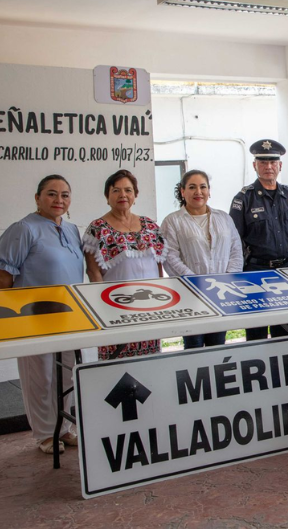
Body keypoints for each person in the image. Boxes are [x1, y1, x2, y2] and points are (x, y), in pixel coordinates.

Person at [0, 176, 82, 454]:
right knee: (41, 376)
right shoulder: (23, 229)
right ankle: (46, 434)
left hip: (70, 314)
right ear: (37, 198)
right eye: (51, 194)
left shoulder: (71, 229)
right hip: (33, 316)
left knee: (68, 373)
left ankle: (66, 427)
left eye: (65, 194)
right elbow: (4, 276)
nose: (59, 199)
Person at [230, 139, 288, 340]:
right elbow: (234, 241)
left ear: (280, 166)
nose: (268, 167)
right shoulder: (243, 198)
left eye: (273, 162)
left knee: (286, 330)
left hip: (287, 270)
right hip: (256, 272)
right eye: (263, 162)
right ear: (255, 165)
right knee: (256, 331)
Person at [84, 169, 166, 359]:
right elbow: (93, 271)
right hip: (116, 310)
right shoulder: (97, 228)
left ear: (135, 195)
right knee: (117, 370)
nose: (123, 195)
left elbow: (159, 265)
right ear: (107, 196)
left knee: (151, 366)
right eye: (116, 191)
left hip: (150, 309)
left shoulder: (151, 226)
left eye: (128, 190)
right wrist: (103, 309)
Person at [161, 170, 243, 348]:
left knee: (218, 345)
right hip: (190, 295)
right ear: (183, 192)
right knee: (194, 347)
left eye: (202, 187)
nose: (198, 192)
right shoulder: (172, 221)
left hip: (221, 293)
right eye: (192, 187)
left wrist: (228, 279)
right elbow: (170, 257)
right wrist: (196, 283)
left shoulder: (224, 218)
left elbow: (236, 250)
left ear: (209, 191)